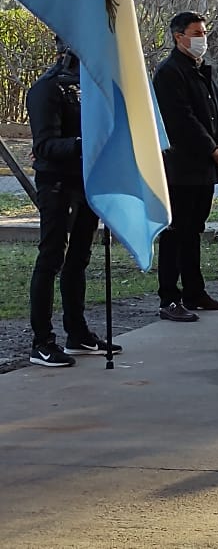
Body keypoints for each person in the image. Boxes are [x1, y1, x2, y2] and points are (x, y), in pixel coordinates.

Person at [26, 42, 121, 367]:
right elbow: (45, 145)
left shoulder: (90, 89)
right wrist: (85, 143)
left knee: (79, 258)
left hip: (86, 183)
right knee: (52, 258)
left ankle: (76, 333)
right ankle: (42, 342)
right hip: (58, 184)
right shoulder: (47, 89)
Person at [152, 11, 218, 323]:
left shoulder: (203, 70)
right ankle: (169, 298)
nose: (202, 38)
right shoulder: (170, 72)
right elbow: (180, 118)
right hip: (181, 168)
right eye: (196, 32)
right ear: (178, 36)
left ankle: (194, 291)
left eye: (204, 31)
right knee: (175, 233)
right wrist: (210, 147)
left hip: (205, 168)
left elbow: (217, 112)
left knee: (193, 232)